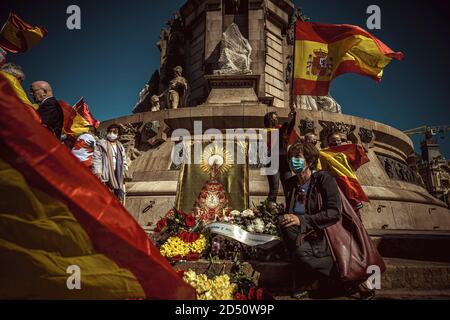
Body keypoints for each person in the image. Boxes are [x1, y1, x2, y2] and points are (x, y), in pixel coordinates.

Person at [278, 141, 374, 299]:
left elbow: (334, 212)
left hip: (324, 233)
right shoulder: (291, 184)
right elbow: (292, 211)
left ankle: (350, 278)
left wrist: (302, 220)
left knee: (301, 253)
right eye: (290, 158)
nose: (292, 161)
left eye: (297, 157)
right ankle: (343, 281)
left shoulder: (323, 178)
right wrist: (285, 216)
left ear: (309, 161)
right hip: (302, 234)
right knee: (286, 227)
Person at [264, 110, 296, 205]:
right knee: (274, 189)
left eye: (276, 118)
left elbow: (289, 127)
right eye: (273, 118)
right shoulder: (268, 131)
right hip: (272, 161)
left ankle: (290, 211)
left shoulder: (281, 130)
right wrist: (288, 120)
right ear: (268, 120)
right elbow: (279, 134)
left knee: (289, 190)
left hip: (284, 162)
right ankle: (269, 212)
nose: (275, 120)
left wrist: (293, 115)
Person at [93, 124, 128, 203]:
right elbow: (97, 158)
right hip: (106, 173)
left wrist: (125, 170)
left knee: (117, 198)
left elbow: (124, 159)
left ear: (118, 135)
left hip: (118, 174)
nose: (112, 133)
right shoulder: (101, 143)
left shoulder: (120, 146)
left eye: (114, 132)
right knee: (105, 197)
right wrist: (97, 171)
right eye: (110, 131)